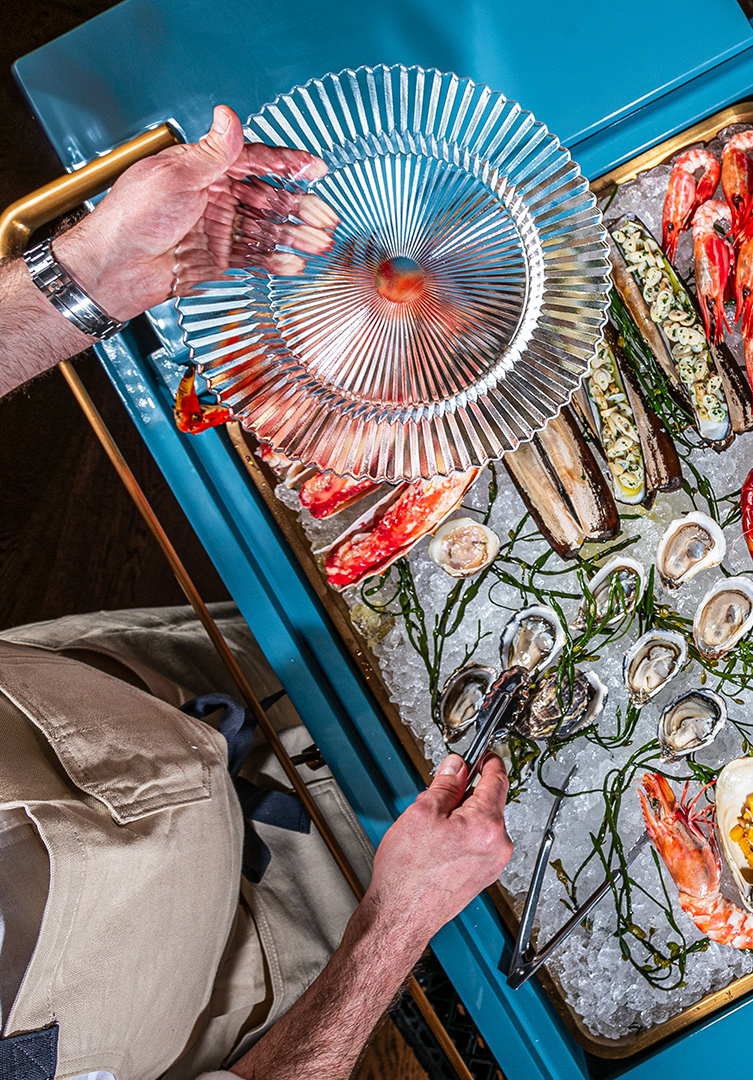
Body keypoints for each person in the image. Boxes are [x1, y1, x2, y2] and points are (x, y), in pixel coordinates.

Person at [0, 110, 512, 1080]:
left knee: (343, 638)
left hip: (114, 696)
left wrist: (83, 280)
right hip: (243, 964)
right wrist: (391, 926)